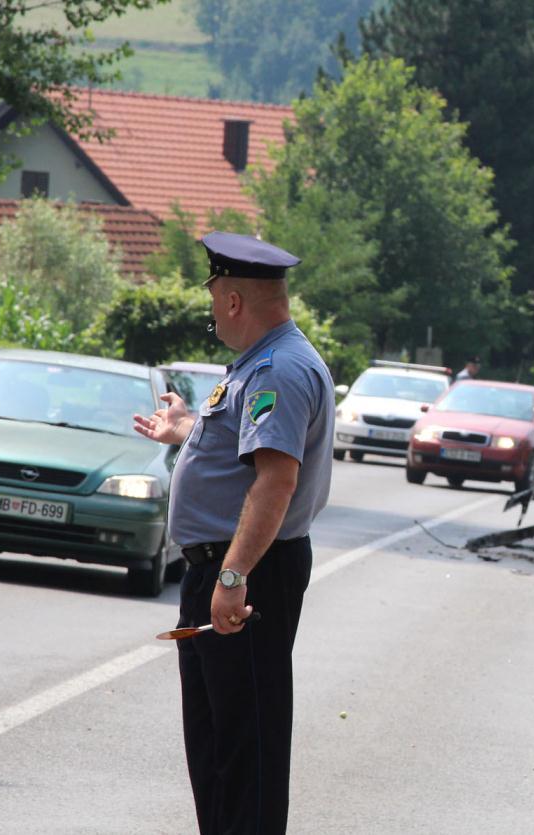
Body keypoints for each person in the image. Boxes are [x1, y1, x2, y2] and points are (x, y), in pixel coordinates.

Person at [133, 231, 334, 835]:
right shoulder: (259, 366)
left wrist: (232, 576)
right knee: (217, 747)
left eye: (215, 295)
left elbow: (275, 482)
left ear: (234, 302)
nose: (213, 311)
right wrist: (189, 429)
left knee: (246, 748)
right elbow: (243, 442)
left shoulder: (281, 369)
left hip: (247, 573)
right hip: (225, 569)